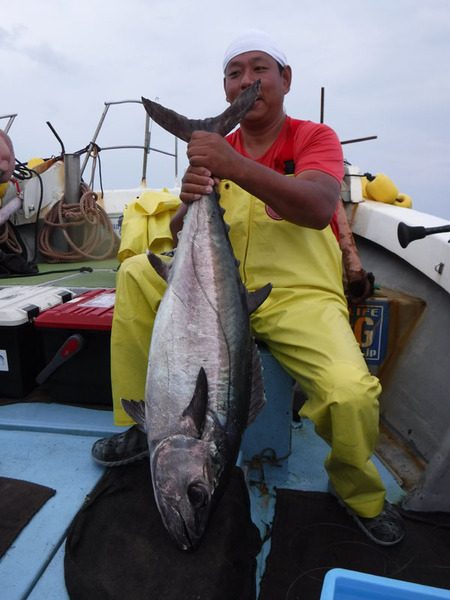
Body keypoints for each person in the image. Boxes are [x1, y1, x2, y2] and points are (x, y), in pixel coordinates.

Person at [92, 30, 405, 546]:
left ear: (286, 79)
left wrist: (232, 165)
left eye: (260, 69)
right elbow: (180, 235)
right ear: (225, 87)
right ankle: (142, 423)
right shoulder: (215, 149)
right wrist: (191, 199)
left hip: (296, 296)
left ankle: (360, 494)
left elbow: (318, 206)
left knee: (350, 393)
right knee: (134, 275)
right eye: (234, 72)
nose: (247, 80)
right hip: (214, 287)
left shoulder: (312, 137)